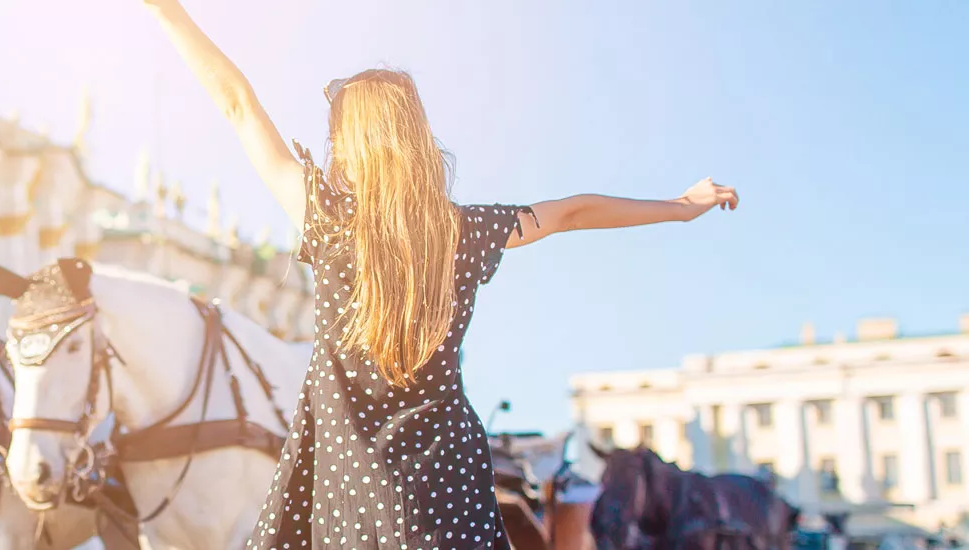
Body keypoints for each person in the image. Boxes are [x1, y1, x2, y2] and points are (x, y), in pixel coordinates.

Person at [137, 0, 741, 548]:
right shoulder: (464, 232)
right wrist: (680, 207)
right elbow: (574, 211)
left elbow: (236, 103)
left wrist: (167, 12)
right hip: (446, 483)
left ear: (351, 148)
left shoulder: (324, 220)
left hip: (350, 495)